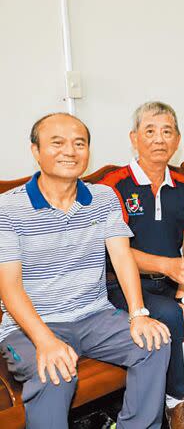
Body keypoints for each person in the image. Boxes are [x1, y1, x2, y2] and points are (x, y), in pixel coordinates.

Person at [0, 113, 171, 428]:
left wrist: (138, 313)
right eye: (57, 143)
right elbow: (9, 287)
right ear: (35, 151)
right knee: (52, 373)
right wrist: (45, 340)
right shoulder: (9, 208)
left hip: (94, 316)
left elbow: (122, 258)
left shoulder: (103, 198)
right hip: (31, 324)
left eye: (79, 143)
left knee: (154, 341)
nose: (70, 151)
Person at [100, 101, 184, 429]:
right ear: (134, 137)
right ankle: (178, 402)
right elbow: (117, 252)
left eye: (167, 132)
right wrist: (169, 268)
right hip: (125, 287)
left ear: (177, 139)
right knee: (169, 315)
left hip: (171, 283)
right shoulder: (114, 186)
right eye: (150, 131)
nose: (159, 139)